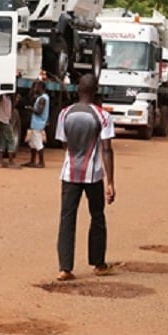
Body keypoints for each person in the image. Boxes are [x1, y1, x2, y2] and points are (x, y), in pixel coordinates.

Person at [54, 73, 116, 281]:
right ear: (96, 91)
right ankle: (98, 263)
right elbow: (107, 150)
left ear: (78, 90)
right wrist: (111, 182)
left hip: (69, 173)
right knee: (97, 216)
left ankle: (65, 267)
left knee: (67, 218)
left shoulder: (64, 113)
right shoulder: (103, 116)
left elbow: (63, 143)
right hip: (93, 175)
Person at [23, 80, 50, 168]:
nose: (35, 89)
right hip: (36, 123)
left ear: (41, 88)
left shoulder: (42, 99)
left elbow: (39, 111)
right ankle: (32, 161)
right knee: (33, 143)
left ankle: (41, 162)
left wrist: (30, 108)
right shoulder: (43, 97)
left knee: (38, 143)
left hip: (38, 123)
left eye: (36, 87)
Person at [0, 92, 18, 167]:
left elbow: (10, 109)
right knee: (11, 141)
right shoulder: (2, 97)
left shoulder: (8, 98)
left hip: (3, 120)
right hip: (4, 121)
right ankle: (10, 161)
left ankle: (0, 161)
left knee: (2, 141)